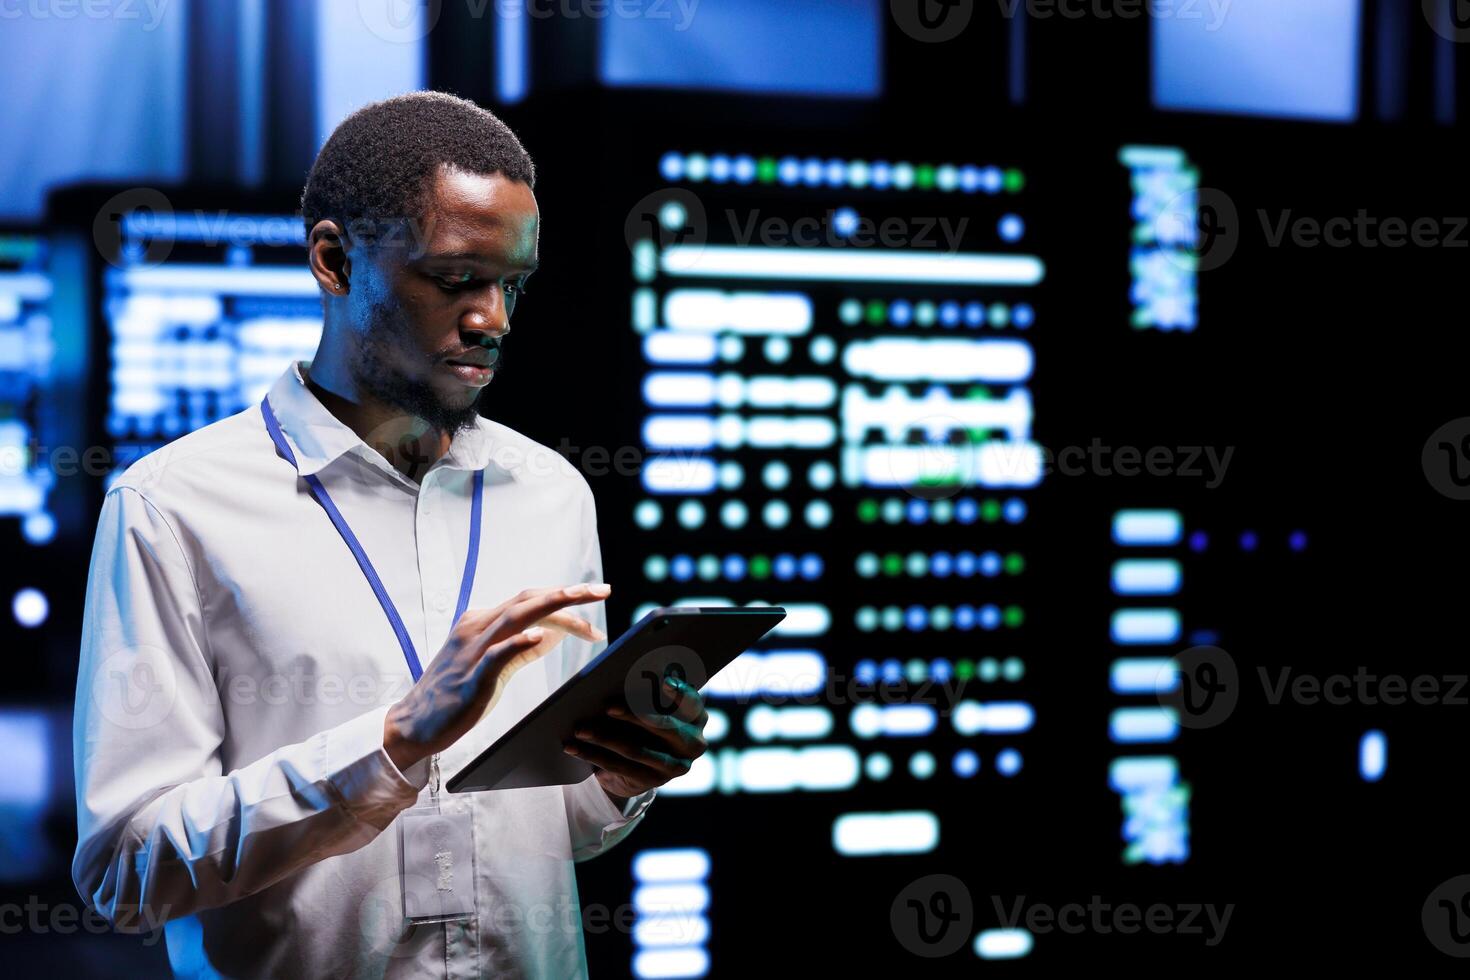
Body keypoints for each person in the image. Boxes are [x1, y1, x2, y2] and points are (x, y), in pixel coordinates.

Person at [72, 90, 709, 978]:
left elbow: (552, 834)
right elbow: (126, 871)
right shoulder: (172, 507)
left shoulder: (553, 494)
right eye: (456, 281)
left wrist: (620, 778)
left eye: (512, 285)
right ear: (334, 261)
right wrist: (395, 743)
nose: (494, 319)